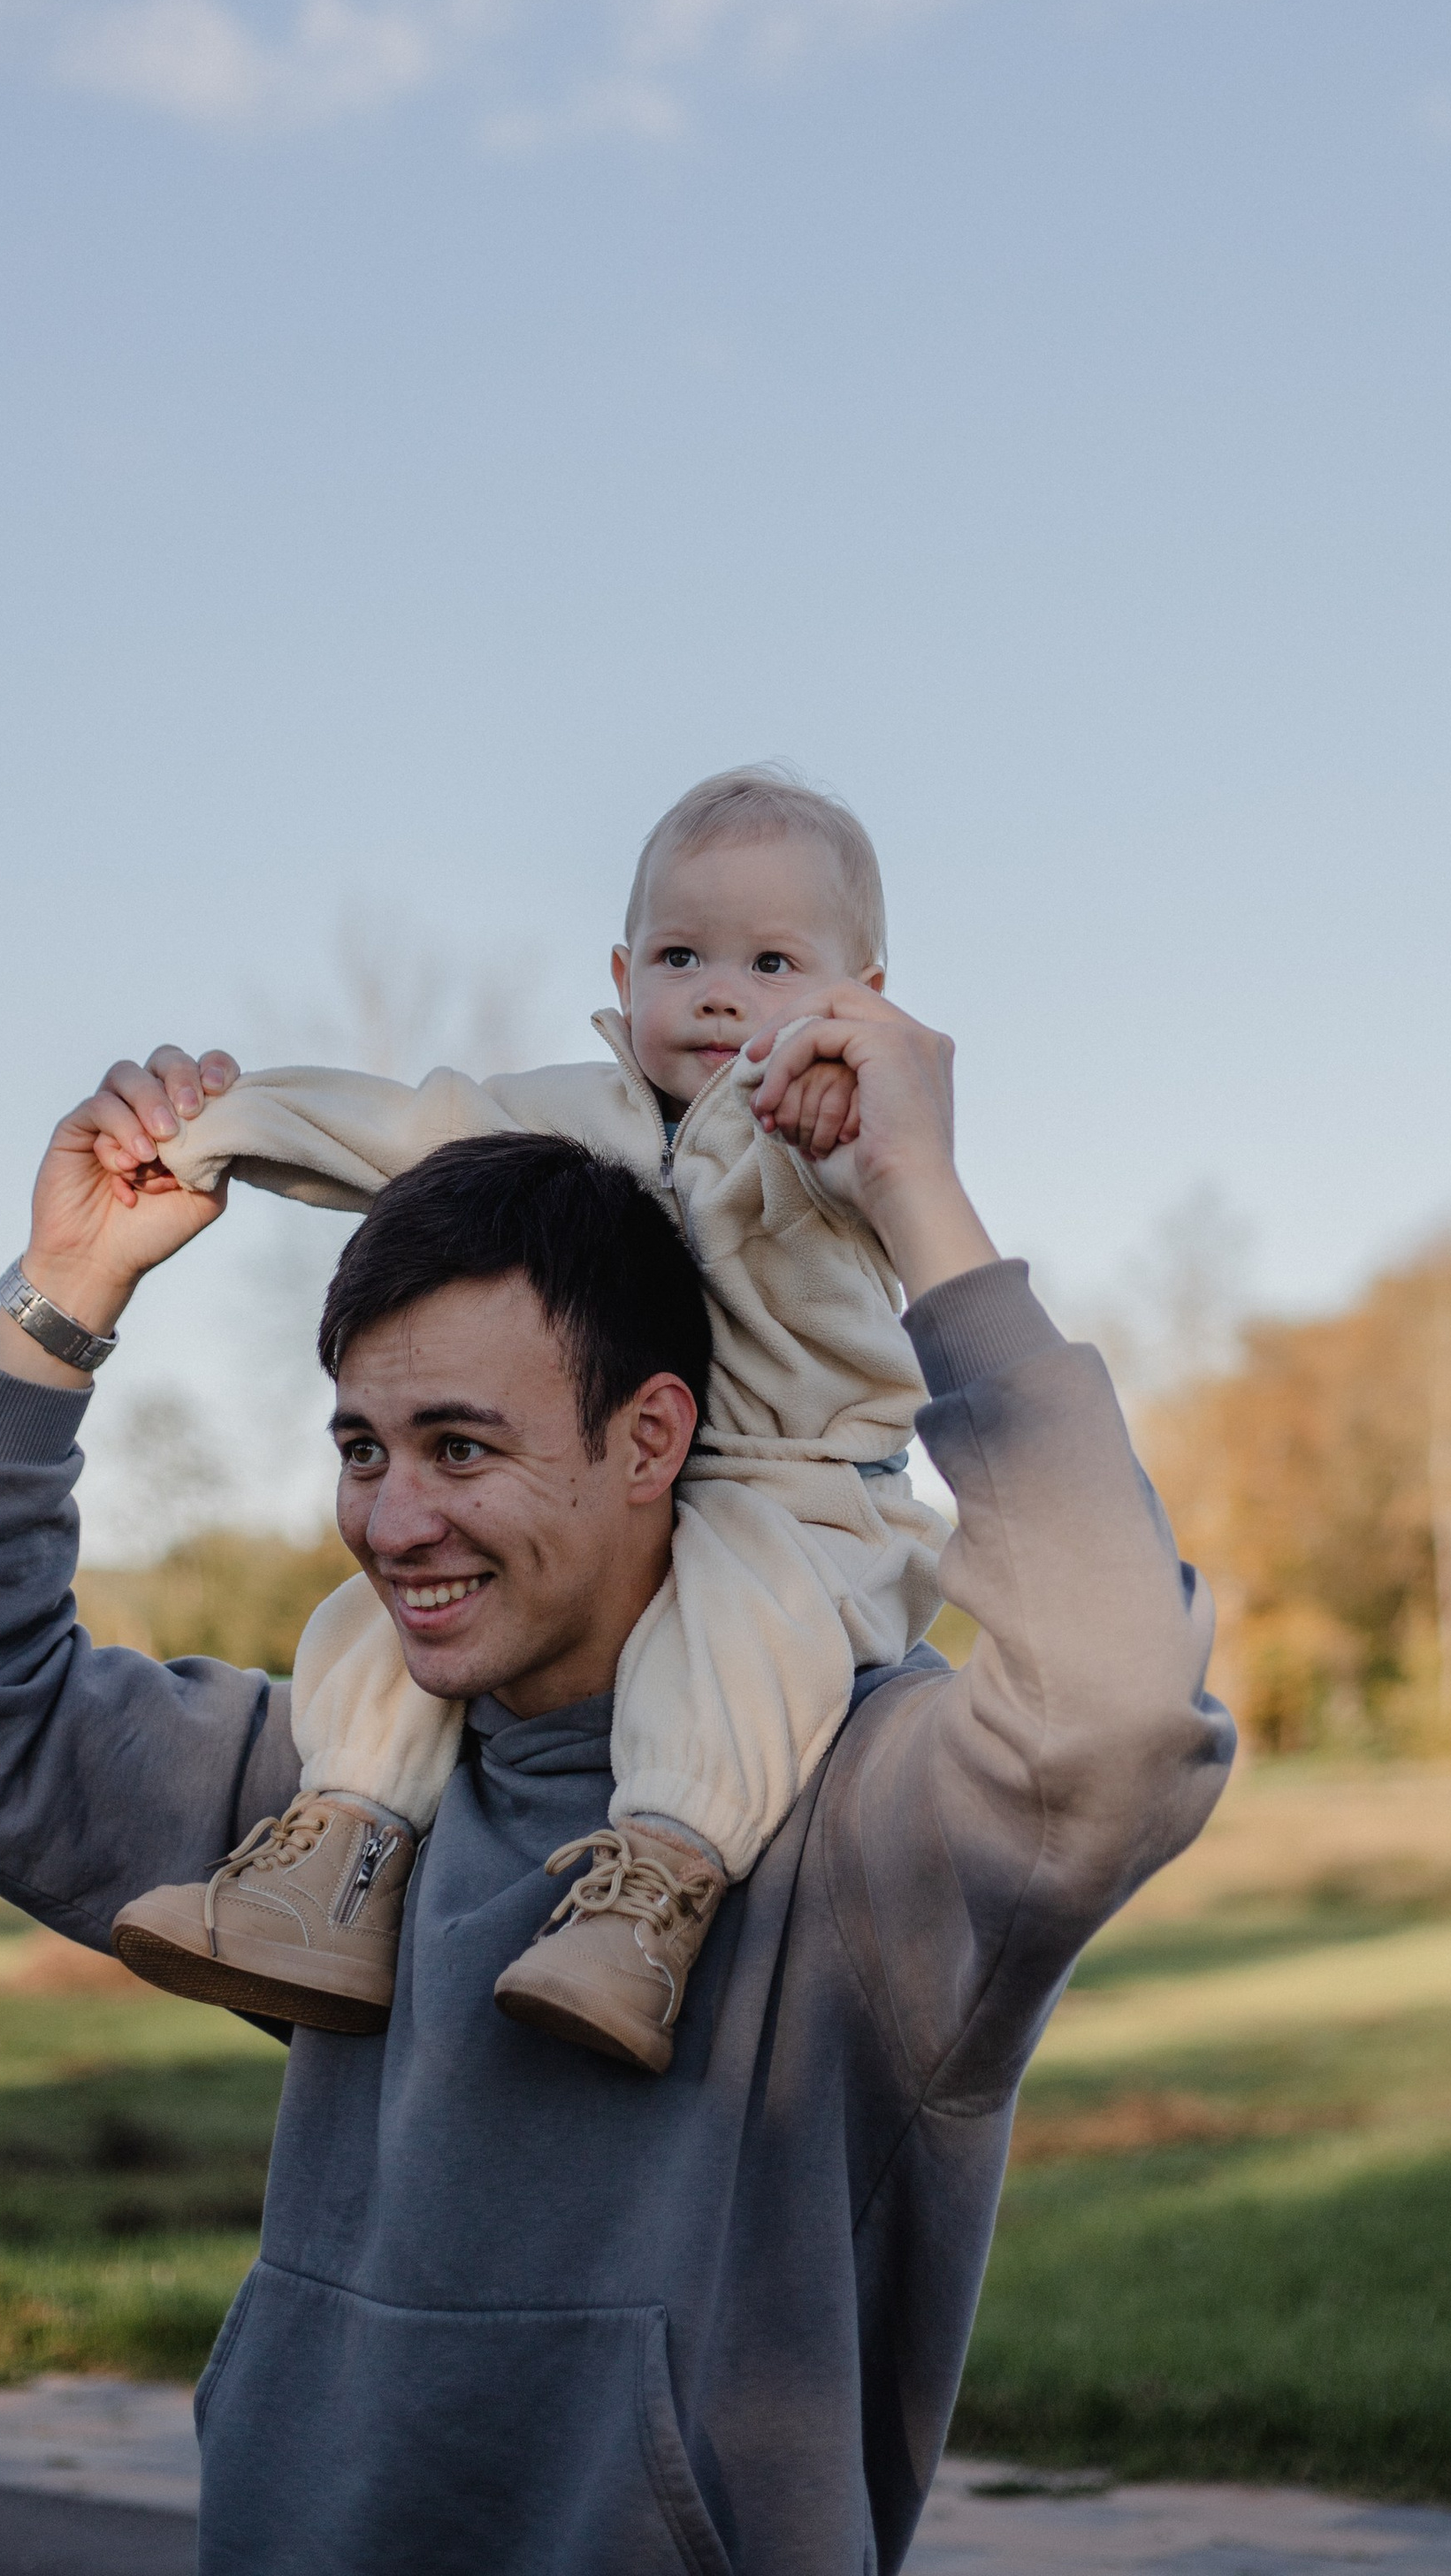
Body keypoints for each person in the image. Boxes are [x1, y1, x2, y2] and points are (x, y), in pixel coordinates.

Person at [0, 973, 1232, 2576]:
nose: (394, 1522)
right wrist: (63, 1294)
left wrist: (921, 1206)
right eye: (362, 1448)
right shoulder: (331, 1796)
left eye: (462, 1447)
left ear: (651, 1441)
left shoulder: (864, 1822)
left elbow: (1122, 1720)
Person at [109, 767, 948, 2071]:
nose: (722, 993)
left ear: (863, 997)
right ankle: (339, 1850)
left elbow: (900, 1180)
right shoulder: (568, 1118)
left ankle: (654, 1890)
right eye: (682, 954)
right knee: (394, 1608)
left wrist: (863, 1100)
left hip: (809, 1492)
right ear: (623, 973)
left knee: (741, 1619)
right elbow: (400, 1133)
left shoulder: (825, 1130)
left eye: (775, 963)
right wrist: (210, 1127)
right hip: (625, 1487)